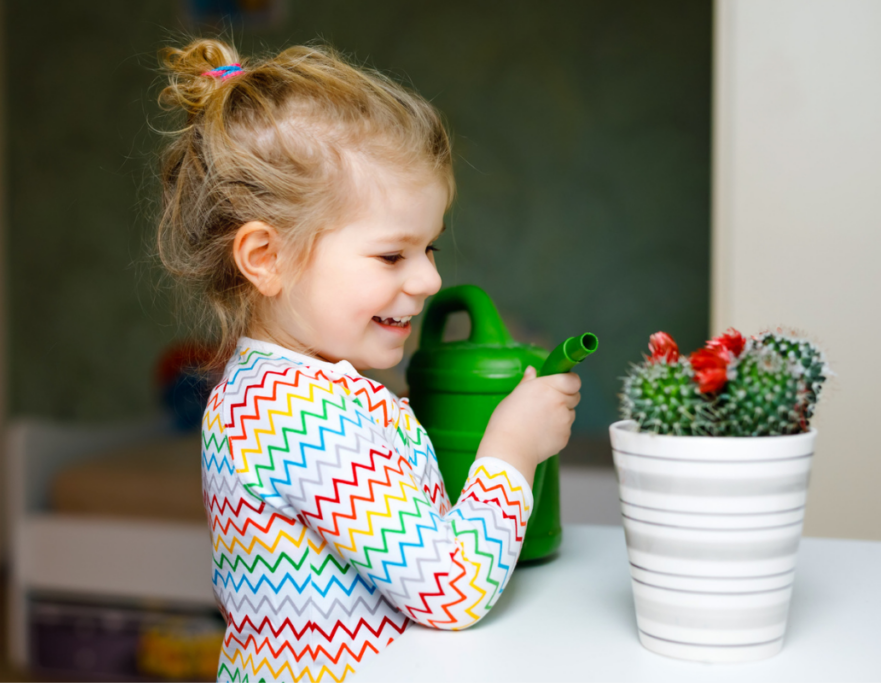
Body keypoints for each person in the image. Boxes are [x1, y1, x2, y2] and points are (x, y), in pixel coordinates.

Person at [155, 38, 582, 683]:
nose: (430, 281)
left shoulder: (284, 392)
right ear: (267, 258)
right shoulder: (293, 415)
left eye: (431, 248)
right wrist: (511, 452)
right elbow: (448, 588)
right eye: (392, 255)